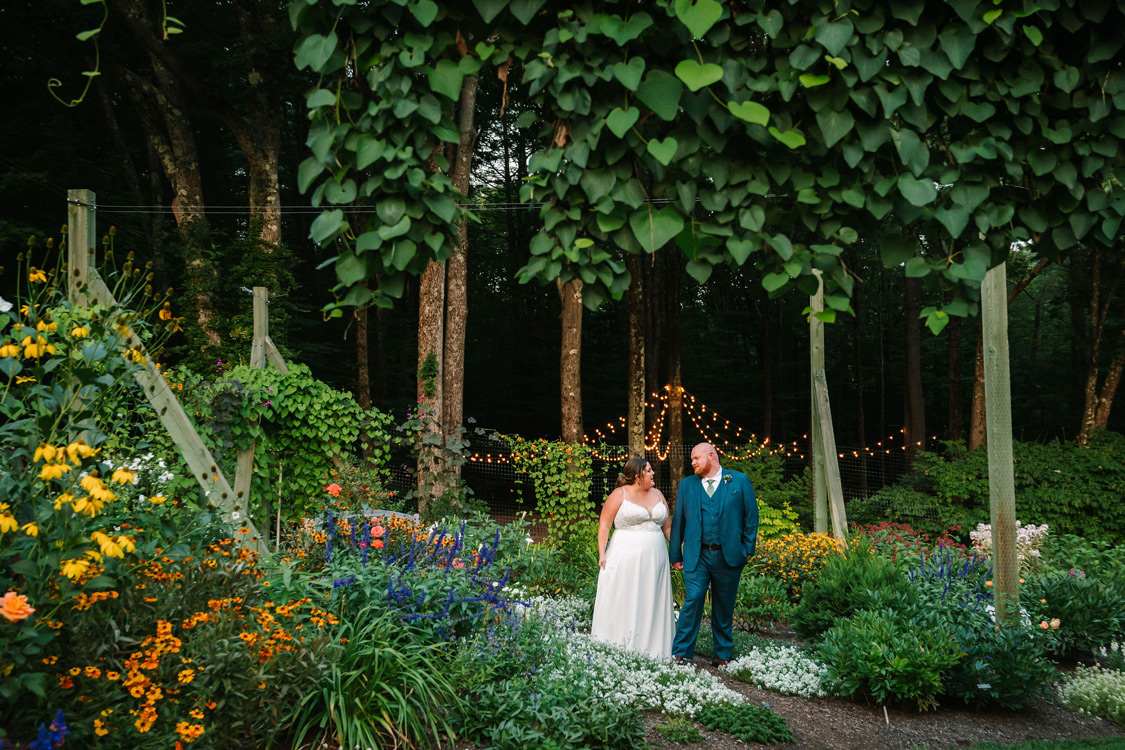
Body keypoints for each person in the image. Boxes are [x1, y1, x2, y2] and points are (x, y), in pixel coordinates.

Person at [668, 442, 758, 666]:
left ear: (711, 456)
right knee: (693, 598)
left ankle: (722, 655)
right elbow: (679, 520)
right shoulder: (687, 485)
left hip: (729, 556)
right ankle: (681, 652)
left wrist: (746, 550)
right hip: (696, 555)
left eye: (696, 458)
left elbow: (751, 518)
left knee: (724, 605)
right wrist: (675, 555)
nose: (693, 463)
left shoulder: (739, 480)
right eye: (692, 460)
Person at [590, 457, 675, 659]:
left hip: (656, 558)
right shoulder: (619, 495)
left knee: (651, 598)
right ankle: (619, 644)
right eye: (649, 470)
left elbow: (668, 526)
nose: (653, 473)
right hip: (625, 557)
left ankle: (654, 648)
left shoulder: (658, 494)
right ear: (638, 476)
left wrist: (678, 553)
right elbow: (604, 525)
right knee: (627, 596)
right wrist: (602, 553)